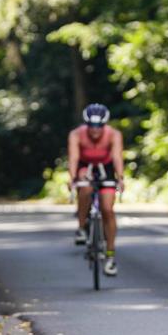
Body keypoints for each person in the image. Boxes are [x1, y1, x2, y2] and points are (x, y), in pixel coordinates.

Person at [67, 103, 124, 276]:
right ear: (86, 124)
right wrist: (71, 178)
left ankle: (110, 255)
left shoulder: (114, 134)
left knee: (107, 209)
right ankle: (81, 228)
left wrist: (120, 178)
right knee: (85, 189)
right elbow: (74, 158)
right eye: (92, 125)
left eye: (99, 126)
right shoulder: (76, 134)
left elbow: (117, 157)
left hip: (105, 168)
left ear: (104, 124)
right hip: (85, 166)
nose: (95, 130)